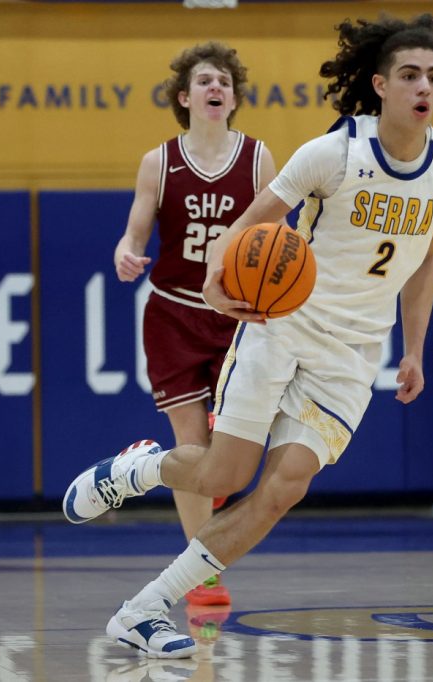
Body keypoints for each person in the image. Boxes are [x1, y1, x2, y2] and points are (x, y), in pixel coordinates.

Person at [63, 13, 433, 658]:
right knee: (226, 470)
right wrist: (220, 286)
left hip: (354, 354)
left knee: (283, 489)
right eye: (411, 75)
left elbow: (424, 261)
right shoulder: (333, 152)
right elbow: (244, 228)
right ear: (381, 85)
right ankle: (137, 470)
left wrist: (414, 348)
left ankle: (143, 610)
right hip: (284, 325)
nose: (425, 87)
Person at [101, 41, 276, 609]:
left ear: (233, 97)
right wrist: (127, 251)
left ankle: (171, 487)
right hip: (174, 313)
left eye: (223, 80)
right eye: (204, 80)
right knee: (192, 448)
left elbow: (278, 239)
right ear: (186, 96)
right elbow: (135, 229)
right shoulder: (159, 161)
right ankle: (199, 571)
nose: (215, 87)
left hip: (236, 315)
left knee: (226, 463)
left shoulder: (258, 159)